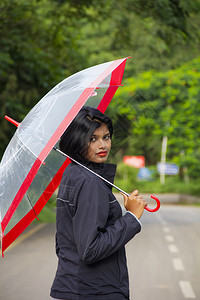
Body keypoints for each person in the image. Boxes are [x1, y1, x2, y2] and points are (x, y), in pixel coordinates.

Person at [50, 106, 147, 300]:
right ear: (76, 141)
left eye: (106, 137)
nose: (102, 145)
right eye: (92, 139)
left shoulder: (72, 173)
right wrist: (132, 218)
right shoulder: (89, 182)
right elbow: (90, 250)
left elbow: (63, 241)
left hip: (75, 286)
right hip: (95, 290)